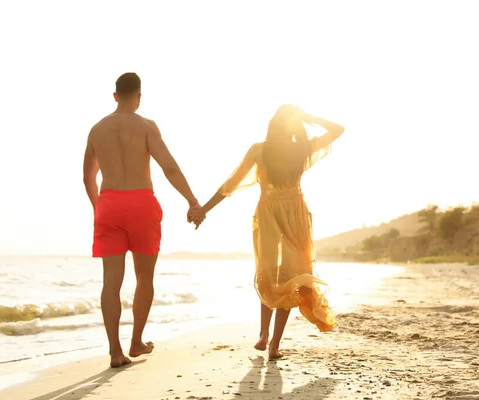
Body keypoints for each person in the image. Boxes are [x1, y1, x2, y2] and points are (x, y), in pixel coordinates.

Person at [188, 105, 344, 359]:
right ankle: (274, 346)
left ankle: (263, 333)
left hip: (268, 213)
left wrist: (204, 209)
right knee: (291, 276)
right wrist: (309, 118)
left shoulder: (259, 150)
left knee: (269, 274)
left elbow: (231, 184)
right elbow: (339, 130)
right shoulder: (301, 150)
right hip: (294, 214)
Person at [82, 72, 203, 367]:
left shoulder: (97, 129)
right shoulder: (147, 127)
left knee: (111, 282)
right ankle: (136, 341)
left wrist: (100, 208)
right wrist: (192, 201)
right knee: (144, 277)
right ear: (139, 97)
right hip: (141, 205)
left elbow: (88, 177)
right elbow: (169, 168)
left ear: (114, 96)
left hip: (109, 203)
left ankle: (115, 351)